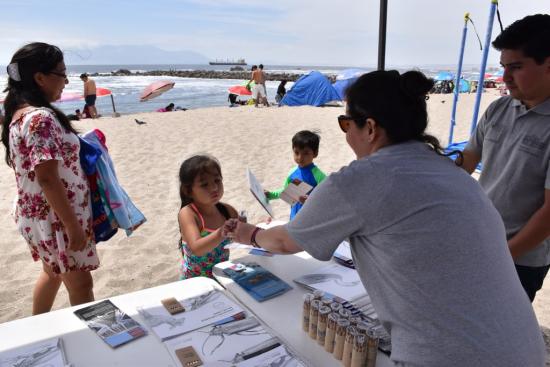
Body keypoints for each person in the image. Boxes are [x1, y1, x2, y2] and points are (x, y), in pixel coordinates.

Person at [224, 70, 545, 366]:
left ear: (371, 128)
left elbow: (283, 241)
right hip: (525, 349)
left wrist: (248, 234)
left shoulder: (362, 179)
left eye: (346, 124)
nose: (347, 135)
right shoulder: (453, 172)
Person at [1, 42, 99, 314]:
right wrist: (72, 226)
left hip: (39, 215)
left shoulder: (18, 115)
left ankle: (34, 326)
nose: (66, 81)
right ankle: (90, 336)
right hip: (57, 217)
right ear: (40, 78)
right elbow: (47, 178)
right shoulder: (41, 118)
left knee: (52, 272)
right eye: (61, 74)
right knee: (81, 284)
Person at [459, 14, 550, 302]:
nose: (505, 78)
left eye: (516, 67)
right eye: (503, 67)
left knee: (497, 335)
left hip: (521, 258)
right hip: (477, 237)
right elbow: (465, 164)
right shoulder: (498, 109)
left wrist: (502, 254)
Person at [177, 155, 240, 279]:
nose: (214, 188)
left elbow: (244, 239)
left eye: (217, 180)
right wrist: (221, 232)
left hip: (223, 278)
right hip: (195, 282)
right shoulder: (188, 213)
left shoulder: (228, 211)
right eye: (204, 184)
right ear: (188, 191)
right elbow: (197, 248)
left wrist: (258, 226)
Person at [265, 130, 326, 219]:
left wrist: (310, 200)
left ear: (315, 153)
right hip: (294, 217)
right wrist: (271, 195)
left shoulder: (319, 176)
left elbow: (327, 198)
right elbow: (286, 192)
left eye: (306, 153)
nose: (300, 158)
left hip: (312, 220)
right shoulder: (292, 173)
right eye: (296, 152)